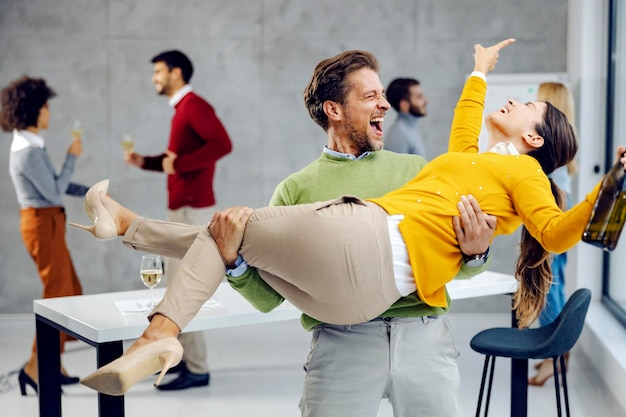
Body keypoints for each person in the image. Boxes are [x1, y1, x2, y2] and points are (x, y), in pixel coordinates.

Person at [73, 38, 626, 397]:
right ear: (335, 110)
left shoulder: (445, 169)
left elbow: (550, 232)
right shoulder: (439, 164)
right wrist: (478, 71)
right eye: (371, 96)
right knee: (228, 230)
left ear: (533, 137)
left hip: (405, 307)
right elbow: (269, 296)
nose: (384, 105)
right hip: (339, 316)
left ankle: (142, 280)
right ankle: (137, 265)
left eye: (386, 96)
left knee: (235, 224)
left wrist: (484, 249)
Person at [123, 50, 233, 391]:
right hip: (184, 209)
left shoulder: (194, 106)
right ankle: (184, 359)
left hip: (191, 211)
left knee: (184, 291)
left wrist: (179, 166)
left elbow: (222, 144)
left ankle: (197, 368)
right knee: (178, 289)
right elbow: (179, 159)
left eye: (159, 71)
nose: (154, 78)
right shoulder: (182, 110)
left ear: (177, 73)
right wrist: (147, 162)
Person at [0, 76, 88, 395]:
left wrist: (92, 192)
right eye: (46, 107)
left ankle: (54, 364)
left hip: (49, 222)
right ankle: (36, 368)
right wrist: (73, 156)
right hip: (41, 223)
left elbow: (54, 185)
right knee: (56, 297)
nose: (49, 113)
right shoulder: (26, 151)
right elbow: (52, 191)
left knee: (67, 291)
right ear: (33, 110)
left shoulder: (32, 144)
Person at [529, 81, 578, 386]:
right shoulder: (565, 134)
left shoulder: (546, 138)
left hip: (551, 205)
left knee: (547, 283)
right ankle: (556, 354)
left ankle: (554, 355)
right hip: (562, 205)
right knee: (553, 280)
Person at [384, 77, 428, 156]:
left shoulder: (408, 130)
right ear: (404, 105)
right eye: (419, 97)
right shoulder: (399, 135)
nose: (425, 100)